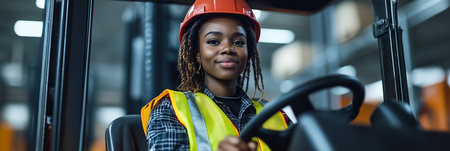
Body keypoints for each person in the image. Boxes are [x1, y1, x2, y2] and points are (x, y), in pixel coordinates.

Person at [140, 0, 289, 150]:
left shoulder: (275, 113)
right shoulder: (171, 110)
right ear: (197, 53)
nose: (227, 49)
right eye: (213, 41)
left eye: (238, 42)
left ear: (249, 52)